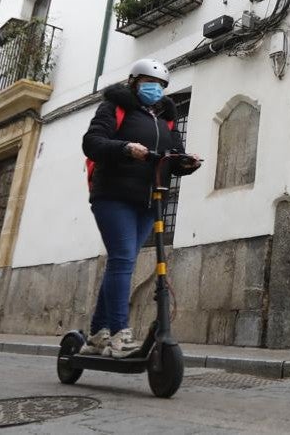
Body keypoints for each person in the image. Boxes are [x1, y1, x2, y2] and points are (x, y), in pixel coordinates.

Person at [80, 59, 200, 358]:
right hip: (113, 195)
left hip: (149, 200)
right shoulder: (115, 107)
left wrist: (187, 162)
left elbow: (173, 155)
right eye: (150, 82)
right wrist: (125, 148)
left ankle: (96, 335)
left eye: (160, 85)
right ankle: (120, 333)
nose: (155, 89)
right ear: (134, 82)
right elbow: (92, 143)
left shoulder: (165, 119)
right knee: (122, 260)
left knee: (123, 261)